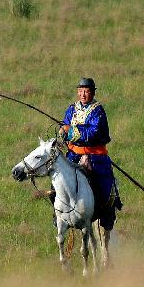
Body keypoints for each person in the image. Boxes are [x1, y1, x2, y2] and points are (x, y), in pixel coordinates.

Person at [58, 77, 122, 230]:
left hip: (95, 156)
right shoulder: (71, 109)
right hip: (73, 154)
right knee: (59, 177)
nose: (83, 94)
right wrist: (62, 131)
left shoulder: (98, 111)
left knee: (105, 185)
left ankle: (106, 213)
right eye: (80, 91)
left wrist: (71, 130)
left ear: (92, 93)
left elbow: (93, 132)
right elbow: (65, 124)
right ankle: (59, 213)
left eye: (86, 91)